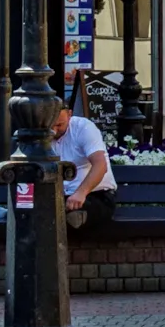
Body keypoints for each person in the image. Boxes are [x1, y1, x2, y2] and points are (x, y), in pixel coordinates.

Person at [48, 99, 116, 237]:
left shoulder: (84, 127)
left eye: (59, 125)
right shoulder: (41, 133)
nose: (54, 131)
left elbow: (100, 165)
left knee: (72, 215)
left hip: (95, 194)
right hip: (60, 197)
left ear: (69, 114)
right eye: (50, 126)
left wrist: (81, 193)